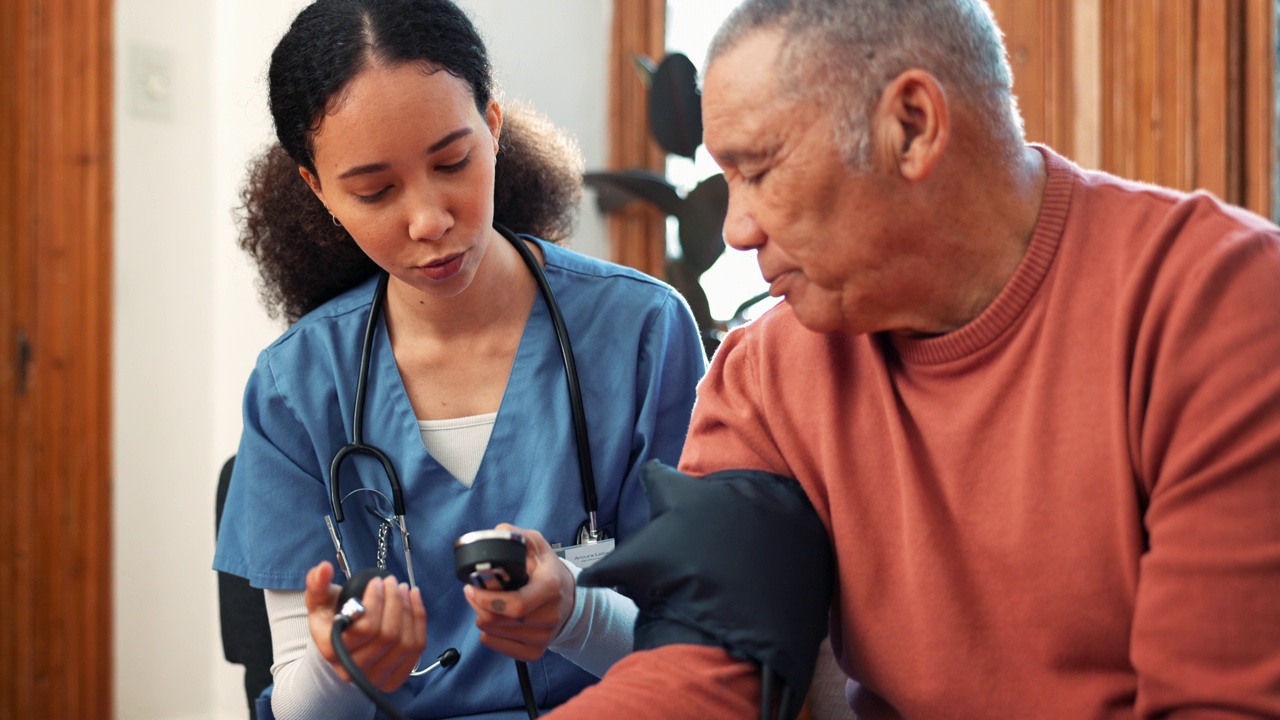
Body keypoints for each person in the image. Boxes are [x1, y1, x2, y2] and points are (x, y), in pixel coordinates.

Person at [541, 0, 1280, 718]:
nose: (735, 229)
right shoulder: (764, 377)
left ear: (913, 126)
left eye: (759, 171)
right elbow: (706, 666)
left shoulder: (1217, 303)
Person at [211, 0, 707, 718]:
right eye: (375, 190)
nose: (429, 220)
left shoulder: (643, 332)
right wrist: (341, 671)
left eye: (453, 162)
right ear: (317, 188)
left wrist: (577, 615)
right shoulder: (295, 387)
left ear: (494, 127)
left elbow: (701, 646)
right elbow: (298, 705)